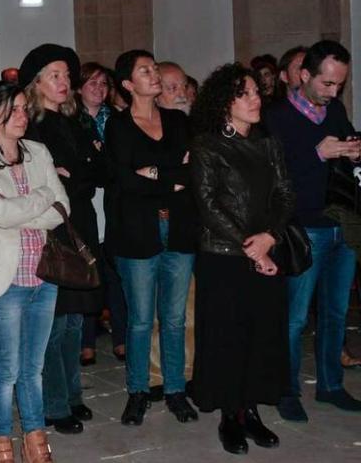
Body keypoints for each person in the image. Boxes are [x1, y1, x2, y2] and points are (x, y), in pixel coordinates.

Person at [190, 63, 294, 455]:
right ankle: (230, 415)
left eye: (256, 92)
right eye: (244, 93)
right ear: (224, 102)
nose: (255, 99)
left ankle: (250, 409)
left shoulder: (269, 142)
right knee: (227, 336)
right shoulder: (207, 144)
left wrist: (270, 237)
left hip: (267, 248)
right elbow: (209, 204)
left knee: (261, 333)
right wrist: (251, 245)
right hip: (224, 256)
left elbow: (285, 194)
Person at [0, 82, 67, 463]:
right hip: (3, 281)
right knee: (7, 369)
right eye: (14, 109)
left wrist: (27, 203)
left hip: (44, 275)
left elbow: (63, 206)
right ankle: (2, 440)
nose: (23, 115)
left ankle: (37, 439)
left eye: (25, 108)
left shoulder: (38, 152)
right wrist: (42, 197)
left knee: (33, 369)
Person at [263, 40, 361, 421]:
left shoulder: (334, 109)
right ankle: (286, 390)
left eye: (340, 84)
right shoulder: (276, 117)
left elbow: (346, 143)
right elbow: (273, 175)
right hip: (304, 228)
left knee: (336, 312)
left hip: (342, 223)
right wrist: (318, 154)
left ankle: (331, 384)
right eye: (327, 84)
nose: (334, 92)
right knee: (295, 316)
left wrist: (353, 148)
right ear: (304, 76)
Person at [106, 49, 197, 426]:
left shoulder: (177, 120)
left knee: (174, 318)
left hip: (179, 229)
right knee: (141, 320)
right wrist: (170, 177)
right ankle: (138, 391)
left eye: (155, 68)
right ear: (128, 84)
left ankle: (175, 390)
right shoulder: (118, 125)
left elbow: (193, 172)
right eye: (146, 70)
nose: (154, 74)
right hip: (136, 232)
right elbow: (123, 180)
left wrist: (153, 174)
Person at [19, 43, 103, 435]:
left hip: (79, 223)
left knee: (72, 321)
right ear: (36, 83)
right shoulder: (31, 128)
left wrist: (73, 174)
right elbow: (47, 184)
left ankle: (71, 396)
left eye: (67, 76)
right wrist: (67, 176)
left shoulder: (74, 122)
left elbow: (96, 172)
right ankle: (54, 404)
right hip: (52, 228)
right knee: (53, 323)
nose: (64, 82)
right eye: (55, 75)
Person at [76, 62, 127, 363]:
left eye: (103, 84)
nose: (98, 88)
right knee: (86, 272)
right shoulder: (70, 120)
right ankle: (87, 339)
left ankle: (121, 336)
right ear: (79, 87)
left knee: (115, 273)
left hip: (113, 201)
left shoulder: (117, 120)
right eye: (92, 83)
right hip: (85, 203)